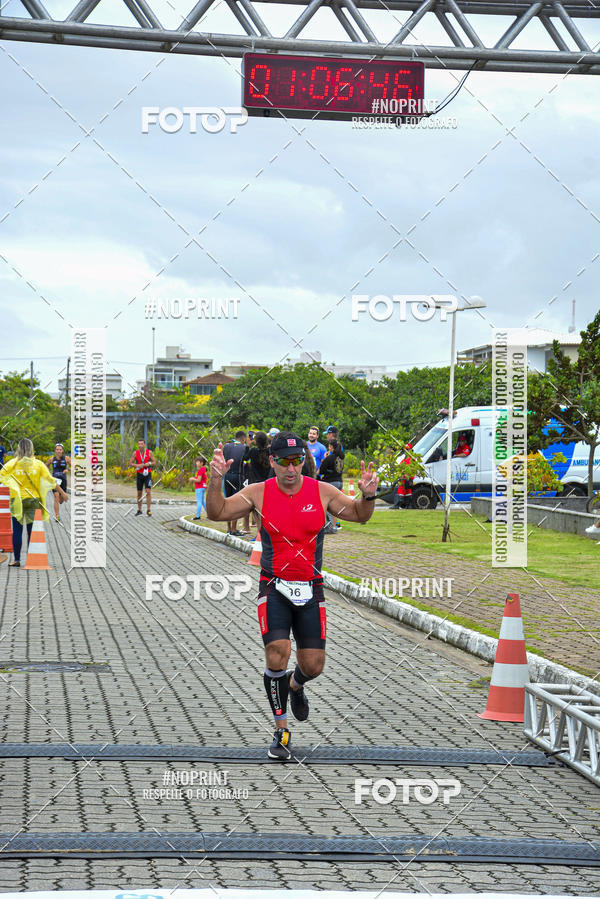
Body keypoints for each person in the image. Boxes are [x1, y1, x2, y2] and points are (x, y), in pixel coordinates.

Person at [206, 431, 379, 760]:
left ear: (304, 461)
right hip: (273, 587)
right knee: (277, 654)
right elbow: (217, 512)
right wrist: (216, 479)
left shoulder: (323, 492)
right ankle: (281, 729)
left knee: (313, 665)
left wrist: (368, 496)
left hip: (311, 588)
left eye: (297, 460)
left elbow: (358, 515)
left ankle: (296, 686)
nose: (291, 468)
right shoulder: (259, 493)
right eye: (283, 461)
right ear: (272, 462)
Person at [0, 438, 68, 567]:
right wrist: (63, 493)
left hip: (17, 500)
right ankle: (33, 558)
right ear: (31, 448)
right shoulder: (38, 464)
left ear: (19, 449)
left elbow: (2, 476)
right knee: (32, 530)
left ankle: (16, 559)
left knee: (17, 530)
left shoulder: (12, 464)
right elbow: (51, 480)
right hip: (33, 500)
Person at [319, 433, 345, 533]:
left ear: (331, 447)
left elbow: (321, 471)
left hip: (330, 482)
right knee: (335, 506)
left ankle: (328, 527)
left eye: (329, 446)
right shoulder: (341, 458)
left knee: (327, 505)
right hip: (339, 482)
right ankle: (334, 526)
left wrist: (324, 459)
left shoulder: (330, 458)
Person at [223, 431, 247, 536]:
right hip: (237, 476)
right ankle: (233, 529)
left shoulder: (226, 447)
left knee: (227, 501)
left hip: (227, 475)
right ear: (243, 439)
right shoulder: (244, 447)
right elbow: (246, 462)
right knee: (236, 503)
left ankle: (228, 528)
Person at [130, 438, 156, 517]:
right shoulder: (135, 453)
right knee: (139, 493)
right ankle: (139, 510)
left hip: (147, 474)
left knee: (148, 491)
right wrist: (137, 465)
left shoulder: (149, 452)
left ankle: (148, 510)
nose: (140, 446)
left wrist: (149, 463)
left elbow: (154, 462)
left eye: (141, 444)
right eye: (139, 444)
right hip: (139, 474)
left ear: (144, 445)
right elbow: (130, 463)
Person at [49, 443, 71, 521]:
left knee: (61, 500)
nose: (58, 451)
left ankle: (62, 497)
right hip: (55, 481)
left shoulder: (66, 458)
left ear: (62, 450)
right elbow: (45, 466)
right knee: (56, 497)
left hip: (63, 481)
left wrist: (67, 470)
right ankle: (57, 516)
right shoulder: (51, 459)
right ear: (55, 450)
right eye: (57, 449)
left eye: (60, 449)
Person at [391, 443, 414, 510]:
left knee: (402, 490)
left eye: (407, 450)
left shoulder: (411, 460)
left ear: (410, 450)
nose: (406, 451)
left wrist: (406, 476)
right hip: (405, 477)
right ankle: (408, 505)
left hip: (407, 478)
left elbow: (412, 469)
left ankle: (397, 505)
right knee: (407, 491)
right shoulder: (405, 459)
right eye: (406, 450)